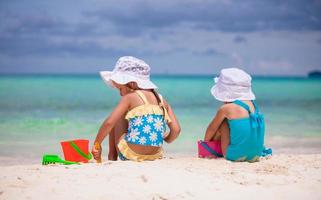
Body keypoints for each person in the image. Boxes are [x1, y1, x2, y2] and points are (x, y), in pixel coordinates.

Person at [92, 56, 181, 162]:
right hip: (155, 155)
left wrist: (97, 143)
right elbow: (176, 130)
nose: (120, 94)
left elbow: (109, 123)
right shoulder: (161, 99)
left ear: (131, 83)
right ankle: (114, 157)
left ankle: (112, 157)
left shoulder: (130, 97)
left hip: (130, 153)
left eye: (120, 89)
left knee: (116, 118)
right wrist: (166, 138)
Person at [204, 68, 266, 162]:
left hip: (235, 155)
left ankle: (212, 148)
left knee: (223, 122)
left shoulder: (226, 109)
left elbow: (211, 129)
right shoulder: (253, 105)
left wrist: (205, 145)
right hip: (256, 154)